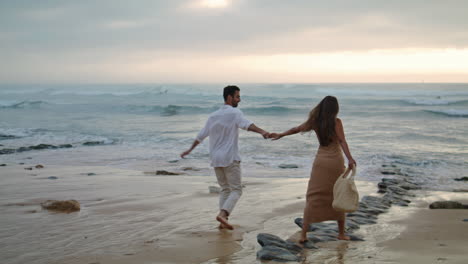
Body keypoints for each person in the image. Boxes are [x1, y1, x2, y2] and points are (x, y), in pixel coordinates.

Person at [180, 85, 270, 230]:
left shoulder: (213, 115)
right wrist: (263, 132)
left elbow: (201, 135)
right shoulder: (235, 112)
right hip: (229, 157)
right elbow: (247, 125)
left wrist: (189, 150)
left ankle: (223, 221)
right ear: (229, 97)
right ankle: (223, 215)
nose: (239, 100)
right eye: (237, 96)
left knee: (225, 189)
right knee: (236, 190)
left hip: (216, 158)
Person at [269, 95, 356, 241]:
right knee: (337, 193)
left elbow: (296, 129)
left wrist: (281, 134)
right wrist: (350, 158)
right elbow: (342, 141)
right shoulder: (337, 122)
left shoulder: (315, 122)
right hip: (335, 162)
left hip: (321, 162)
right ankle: (341, 233)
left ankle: (303, 234)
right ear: (335, 109)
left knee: (313, 196)